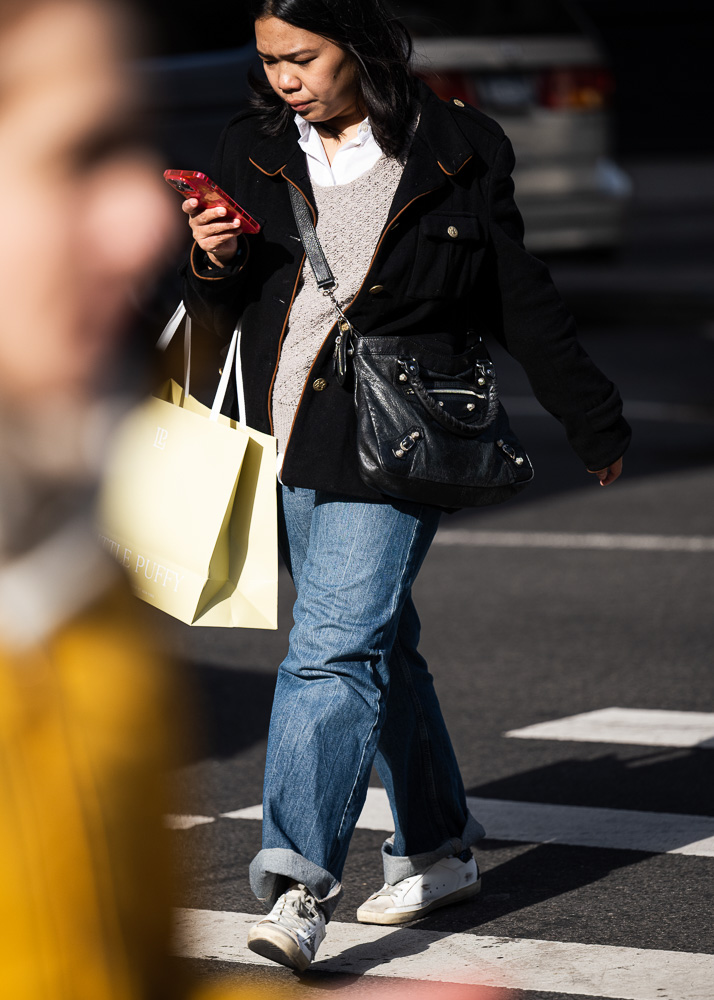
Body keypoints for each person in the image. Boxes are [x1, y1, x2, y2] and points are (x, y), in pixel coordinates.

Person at [180, 0, 631, 973]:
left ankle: (299, 881)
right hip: (289, 433)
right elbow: (223, 300)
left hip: (401, 437)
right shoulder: (252, 143)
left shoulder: (457, 149)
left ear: (363, 45)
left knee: (332, 651)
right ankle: (437, 846)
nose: (282, 79)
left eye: (301, 57)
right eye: (269, 62)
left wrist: (590, 414)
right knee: (380, 641)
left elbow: (517, 294)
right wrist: (212, 256)